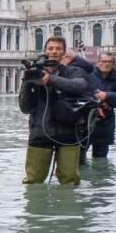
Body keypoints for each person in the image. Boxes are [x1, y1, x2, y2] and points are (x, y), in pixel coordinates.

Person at [18, 36, 89, 185]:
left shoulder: (74, 71)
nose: (54, 52)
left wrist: (49, 80)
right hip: (39, 133)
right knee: (33, 180)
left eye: (58, 49)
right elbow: (25, 107)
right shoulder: (35, 73)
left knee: (70, 180)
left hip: (68, 133)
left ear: (64, 53)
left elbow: (80, 86)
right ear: (44, 51)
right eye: (50, 48)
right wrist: (28, 82)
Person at [81, 52, 116, 162]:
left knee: (100, 159)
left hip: (105, 123)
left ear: (113, 64)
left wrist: (107, 95)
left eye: (110, 62)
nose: (106, 64)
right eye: (104, 61)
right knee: (79, 158)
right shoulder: (88, 76)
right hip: (85, 122)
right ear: (98, 63)